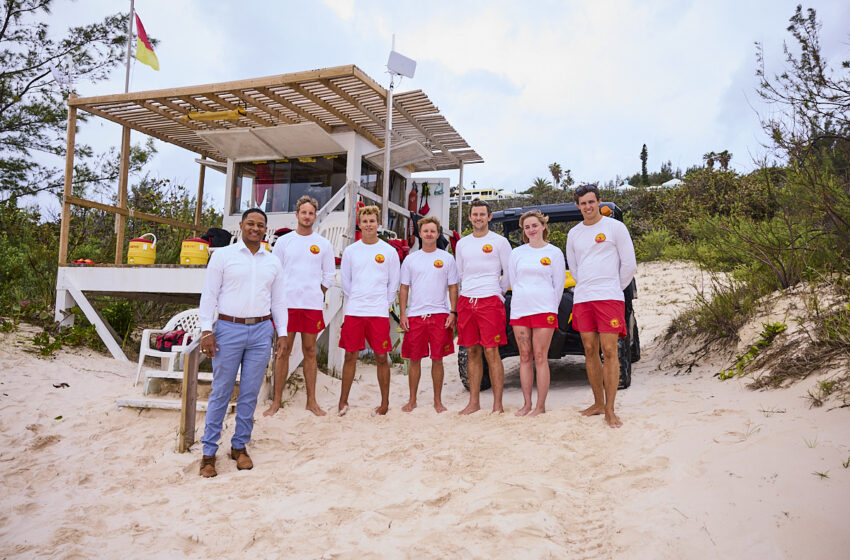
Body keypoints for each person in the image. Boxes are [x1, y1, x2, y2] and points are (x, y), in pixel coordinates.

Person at [198, 208, 287, 477]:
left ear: (266, 230)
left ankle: (239, 446)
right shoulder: (223, 256)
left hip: (261, 331)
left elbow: (279, 301)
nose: (255, 228)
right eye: (251, 223)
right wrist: (205, 330)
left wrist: (282, 333)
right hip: (228, 329)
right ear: (241, 226)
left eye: (260, 225)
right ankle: (208, 452)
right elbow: (209, 295)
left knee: (250, 393)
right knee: (221, 391)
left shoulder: (272, 262)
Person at [566, 184, 636, 428]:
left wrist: (613, 287)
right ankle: (597, 403)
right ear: (578, 205)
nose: (588, 206)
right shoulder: (574, 233)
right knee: (589, 349)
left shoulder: (615, 228)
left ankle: (610, 409)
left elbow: (629, 263)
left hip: (609, 296)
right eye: (583, 203)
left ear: (599, 201)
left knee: (610, 350)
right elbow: (574, 267)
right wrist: (588, 285)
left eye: (591, 201)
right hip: (584, 297)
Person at [264, 195, 335, 417]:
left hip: (311, 306)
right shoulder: (284, 242)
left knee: (310, 351)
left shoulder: (323, 244)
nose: (307, 216)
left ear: (315, 216)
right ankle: (276, 401)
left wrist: (316, 292)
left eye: (311, 213)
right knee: (283, 351)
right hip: (287, 305)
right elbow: (274, 272)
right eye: (303, 212)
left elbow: (330, 275)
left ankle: (311, 402)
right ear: (297, 215)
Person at [337, 205, 401, 416]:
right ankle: (343, 402)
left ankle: (384, 404)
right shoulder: (351, 251)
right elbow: (346, 282)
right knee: (350, 356)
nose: (368, 225)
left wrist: (385, 303)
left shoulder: (388, 251)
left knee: (382, 357)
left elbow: (394, 283)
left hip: (378, 312)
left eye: (372, 221)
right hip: (355, 310)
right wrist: (357, 298)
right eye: (364, 222)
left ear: (378, 223)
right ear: (359, 224)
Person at [455, 198, 511, 414]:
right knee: (472, 352)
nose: (478, 218)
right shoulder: (462, 244)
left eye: (482, 214)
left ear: (489, 217)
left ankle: (497, 404)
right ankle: (474, 402)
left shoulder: (499, 242)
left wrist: (499, 292)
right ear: (470, 217)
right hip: (467, 300)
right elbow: (461, 273)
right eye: (474, 214)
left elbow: (508, 272)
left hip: (490, 300)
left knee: (492, 352)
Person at [508, 210, 566, 417]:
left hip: (545, 309)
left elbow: (558, 285)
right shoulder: (517, 254)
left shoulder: (554, 253)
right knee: (524, 356)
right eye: (527, 227)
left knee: (540, 356)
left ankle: (540, 406)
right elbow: (513, 281)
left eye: (534, 225)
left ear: (543, 226)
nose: (531, 230)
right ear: (524, 231)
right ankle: (526, 404)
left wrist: (550, 305)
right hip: (521, 309)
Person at [398, 217, 458, 413]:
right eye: (426, 231)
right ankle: (412, 400)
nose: (429, 234)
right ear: (420, 234)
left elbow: (453, 287)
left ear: (438, 234)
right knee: (414, 359)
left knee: (437, 359)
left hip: (440, 314)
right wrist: (403, 314)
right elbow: (404, 288)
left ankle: (437, 401)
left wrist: (452, 311)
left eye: (433, 231)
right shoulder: (411, 259)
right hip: (415, 315)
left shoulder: (447, 258)